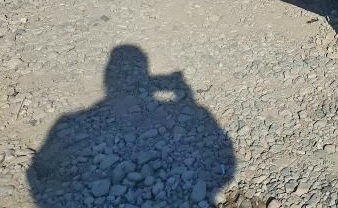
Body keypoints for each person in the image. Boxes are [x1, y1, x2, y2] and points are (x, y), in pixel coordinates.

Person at [27, 45, 235, 207]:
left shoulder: (70, 120)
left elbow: (33, 181)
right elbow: (227, 162)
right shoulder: (197, 114)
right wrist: (184, 95)